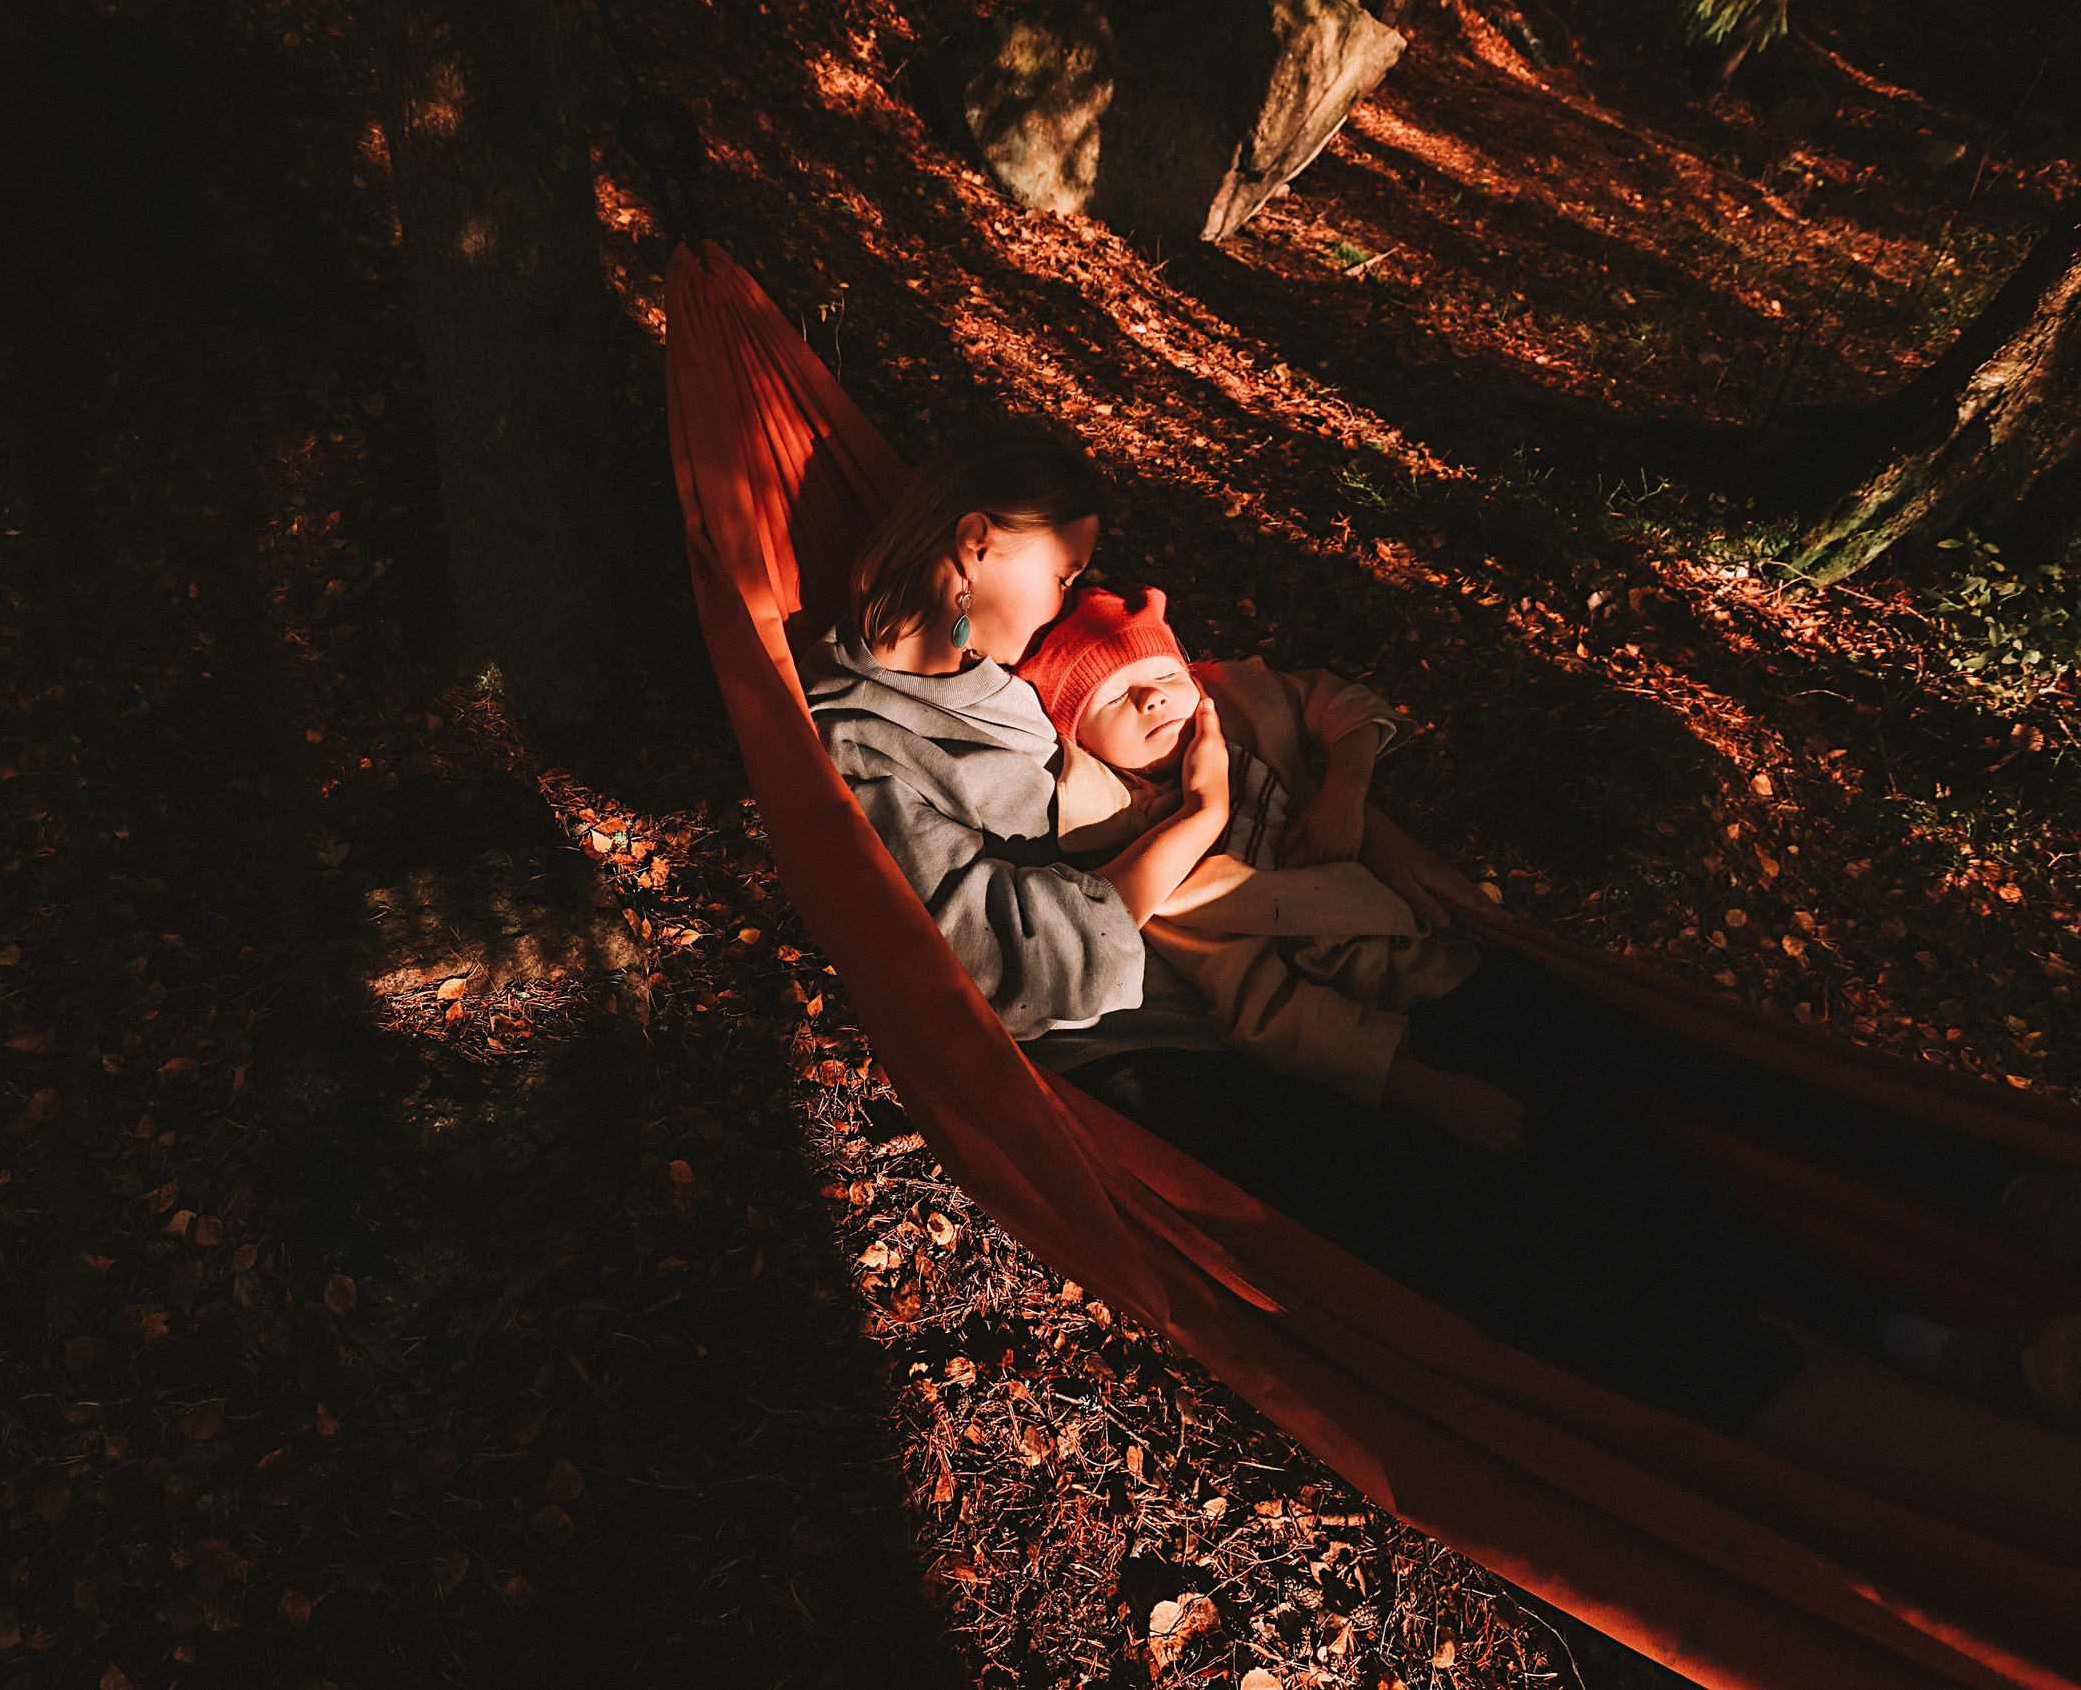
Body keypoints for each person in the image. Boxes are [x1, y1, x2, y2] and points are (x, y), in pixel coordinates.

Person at [803, 422, 2081, 1550]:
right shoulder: (864, 744)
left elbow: (1255, 710)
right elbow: (1013, 970)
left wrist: (1353, 810)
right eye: (1063, 566)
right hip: (1162, 1057)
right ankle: (1949, 1450)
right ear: (975, 541)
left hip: (1323, 968)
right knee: (1536, 1244)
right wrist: (1191, 823)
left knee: (1636, 1083)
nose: (1073, 597)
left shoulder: (995, 680)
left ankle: (1990, 1231)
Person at [1012, 581, 1510, 1142]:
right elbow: (1262, 1008)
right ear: (1080, 740)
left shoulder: (1240, 703)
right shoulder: (1154, 864)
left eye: (1167, 676)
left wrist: (1343, 792)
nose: (1152, 697)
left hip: (1437, 934)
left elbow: (1336, 702)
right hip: (1381, 1007)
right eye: (1112, 697)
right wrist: (1420, 1086)